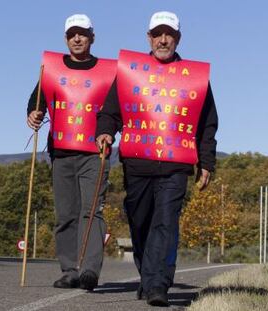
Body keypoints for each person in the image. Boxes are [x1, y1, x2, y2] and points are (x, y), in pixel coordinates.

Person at [96, 11, 218, 307]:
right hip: (137, 164)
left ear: (178, 38)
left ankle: (157, 285)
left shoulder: (195, 77)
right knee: (140, 222)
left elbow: (207, 122)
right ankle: (148, 276)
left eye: (170, 34)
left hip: (176, 167)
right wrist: (106, 133)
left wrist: (206, 161)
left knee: (166, 221)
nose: (164, 39)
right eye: (158, 34)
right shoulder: (130, 71)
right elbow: (111, 110)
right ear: (148, 37)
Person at [27, 14, 116, 290]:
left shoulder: (110, 70)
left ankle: (89, 270)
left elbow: (114, 108)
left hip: (94, 153)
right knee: (66, 213)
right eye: (72, 34)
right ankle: (70, 270)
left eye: (82, 33)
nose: (77, 38)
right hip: (61, 153)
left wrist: (108, 131)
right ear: (66, 39)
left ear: (92, 37)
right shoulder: (51, 68)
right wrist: (33, 113)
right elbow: (36, 100)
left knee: (91, 211)